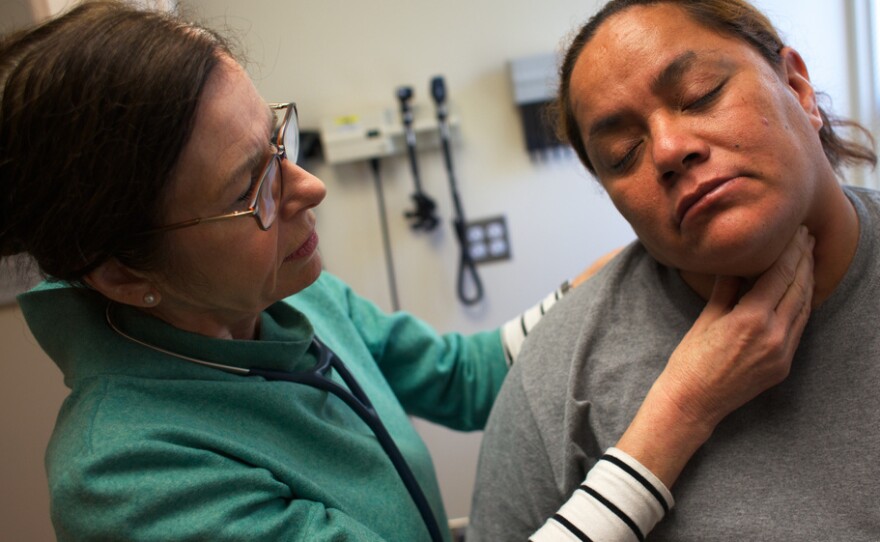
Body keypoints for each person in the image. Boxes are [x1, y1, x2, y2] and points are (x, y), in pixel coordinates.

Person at [0, 1, 813, 540]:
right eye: (251, 189)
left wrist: (590, 288)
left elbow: (459, 377)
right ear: (119, 275)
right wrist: (677, 414)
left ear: (799, 85)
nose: (308, 188)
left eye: (275, 143)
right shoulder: (129, 475)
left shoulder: (287, 297)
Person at [468, 0, 880, 540]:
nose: (667, 150)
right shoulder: (556, 383)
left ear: (798, 89)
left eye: (700, 95)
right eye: (622, 152)